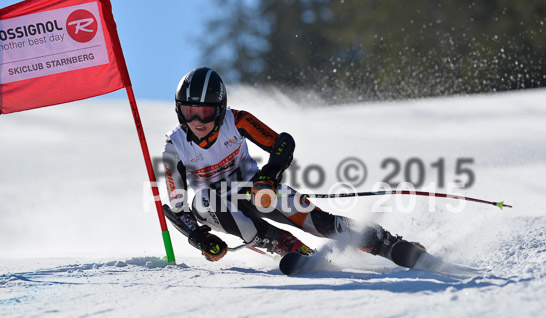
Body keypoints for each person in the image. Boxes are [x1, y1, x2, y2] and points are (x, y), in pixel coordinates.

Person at [162, 67, 425, 267]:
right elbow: (177, 207)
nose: (197, 120)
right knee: (204, 199)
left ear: (219, 110)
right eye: (189, 111)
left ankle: (387, 243)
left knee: (317, 221)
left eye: (205, 113)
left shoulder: (237, 121)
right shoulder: (175, 148)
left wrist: (269, 176)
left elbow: (282, 143)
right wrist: (199, 238)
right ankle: (287, 246)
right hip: (218, 209)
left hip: (255, 190)